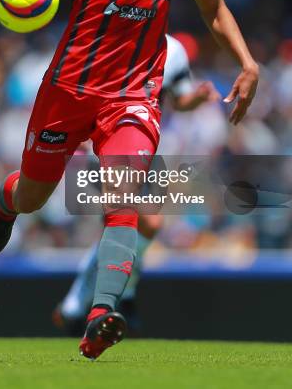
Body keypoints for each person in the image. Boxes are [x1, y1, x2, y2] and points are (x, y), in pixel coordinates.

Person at [0, 0, 259, 360]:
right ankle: (8, 202)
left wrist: (248, 63)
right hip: (69, 89)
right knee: (36, 196)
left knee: (122, 199)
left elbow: (214, 8)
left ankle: (102, 312)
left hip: (133, 94)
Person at [53, 34, 220, 335]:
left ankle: (79, 305)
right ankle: (109, 298)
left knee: (138, 225)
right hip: (100, 142)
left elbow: (179, 99)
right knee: (141, 221)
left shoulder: (174, 51)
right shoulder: (109, 36)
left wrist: (196, 98)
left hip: (140, 146)